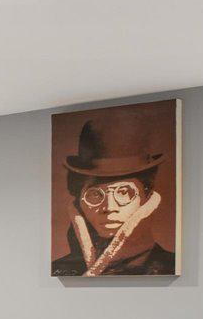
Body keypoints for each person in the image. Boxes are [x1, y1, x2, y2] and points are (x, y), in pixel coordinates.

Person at [51, 117, 177, 276]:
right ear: (78, 199)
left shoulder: (170, 268)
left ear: (146, 197)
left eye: (124, 192)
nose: (109, 208)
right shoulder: (59, 270)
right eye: (95, 194)